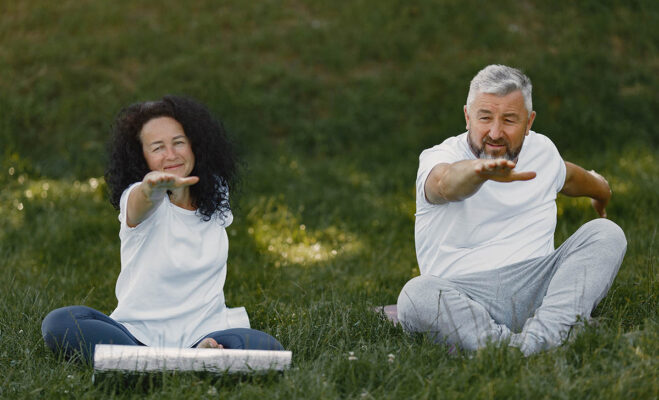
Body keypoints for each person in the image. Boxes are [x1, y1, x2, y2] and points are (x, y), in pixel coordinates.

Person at [396, 65, 627, 356]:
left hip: (540, 284)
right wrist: (480, 172)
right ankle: (549, 336)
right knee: (415, 296)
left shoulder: (542, 151)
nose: (495, 132)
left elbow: (570, 177)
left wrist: (601, 191)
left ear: (528, 122)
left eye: (509, 120)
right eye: (484, 118)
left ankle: (520, 345)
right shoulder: (440, 157)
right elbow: (445, 184)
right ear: (467, 116)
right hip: (467, 296)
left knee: (607, 233)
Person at [42, 96, 283, 363]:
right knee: (60, 322)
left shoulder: (215, 191)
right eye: (157, 148)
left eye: (178, 142)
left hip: (207, 332)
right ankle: (176, 360)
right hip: (138, 334)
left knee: (268, 349)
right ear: (140, 157)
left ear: (195, 144)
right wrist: (151, 187)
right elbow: (141, 201)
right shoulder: (136, 196)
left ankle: (147, 364)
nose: (171, 155)